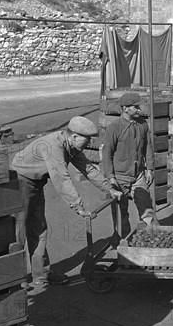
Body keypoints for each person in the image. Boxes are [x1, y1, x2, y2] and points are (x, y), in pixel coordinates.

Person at [12, 116, 123, 287]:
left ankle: (41, 274)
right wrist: (78, 206)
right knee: (19, 230)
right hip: (20, 181)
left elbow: (89, 169)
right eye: (86, 141)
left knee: (39, 228)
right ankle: (12, 280)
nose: (87, 145)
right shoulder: (53, 146)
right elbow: (61, 178)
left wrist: (110, 189)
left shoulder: (72, 148)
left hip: (36, 182)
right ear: (74, 137)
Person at [101, 92, 159, 239]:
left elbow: (148, 147)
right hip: (120, 177)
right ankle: (123, 245)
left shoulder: (142, 124)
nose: (139, 109)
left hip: (138, 174)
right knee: (121, 213)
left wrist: (150, 168)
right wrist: (110, 177)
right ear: (125, 108)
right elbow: (107, 153)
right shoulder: (114, 127)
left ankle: (152, 238)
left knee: (147, 207)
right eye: (135, 107)